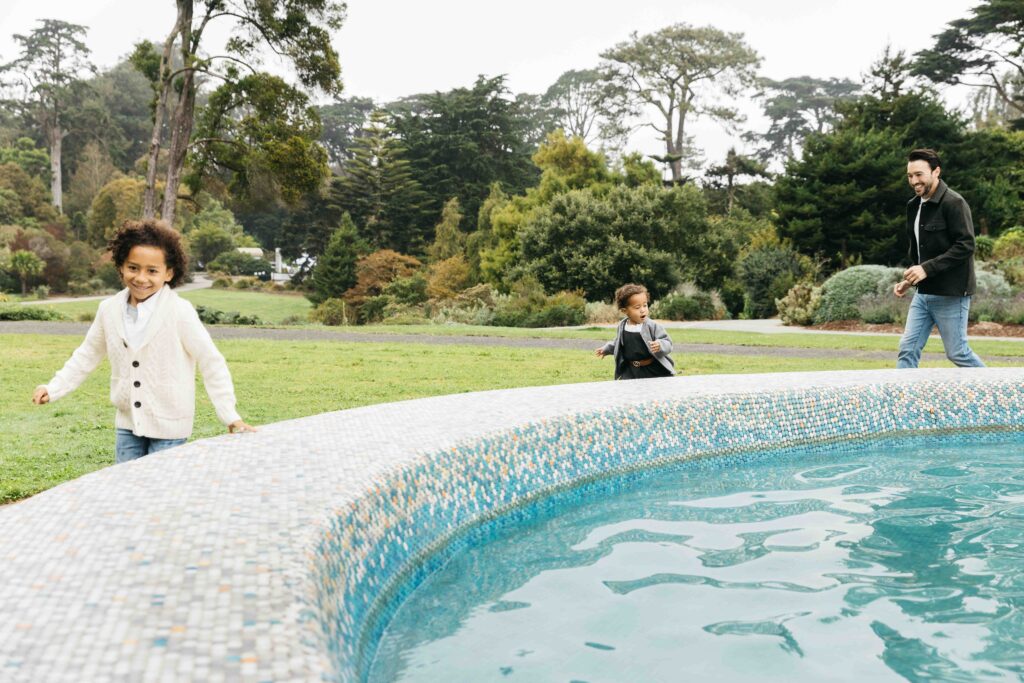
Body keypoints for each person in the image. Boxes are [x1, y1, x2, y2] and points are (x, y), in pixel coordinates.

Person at [32, 219, 255, 463]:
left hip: (170, 428)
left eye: (152, 271)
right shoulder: (108, 309)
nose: (141, 278)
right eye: (133, 267)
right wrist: (52, 388)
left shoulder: (179, 311)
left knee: (159, 495)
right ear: (121, 266)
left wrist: (229, 414)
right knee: (126, 491)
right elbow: (86, 355)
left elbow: (211, 361)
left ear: (169, 273)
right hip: (128, 426)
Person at [893, 148, 985, 369]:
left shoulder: (954, 203)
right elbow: (920, 250)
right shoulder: (913, 206)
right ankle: (903, 402)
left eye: (919, 174)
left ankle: (1005, 396)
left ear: (936, 171)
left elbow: (966, 246)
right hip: (923, 294)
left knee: (958, 353)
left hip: (951, 294)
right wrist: (910, 279)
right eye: (910, 176)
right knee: (907, 348)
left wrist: (926, 269)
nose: (914, 181)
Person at [595, 283, 675, 379]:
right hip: (631, 371)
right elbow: (618, 343)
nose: (643, 310)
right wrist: (606, 349)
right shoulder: (622, 326)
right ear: (625, 311)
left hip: (653, 370)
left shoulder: (652, 326)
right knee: (628, 392)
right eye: (637, 307)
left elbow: (667, 342)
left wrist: (660, 345)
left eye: (645, 305)